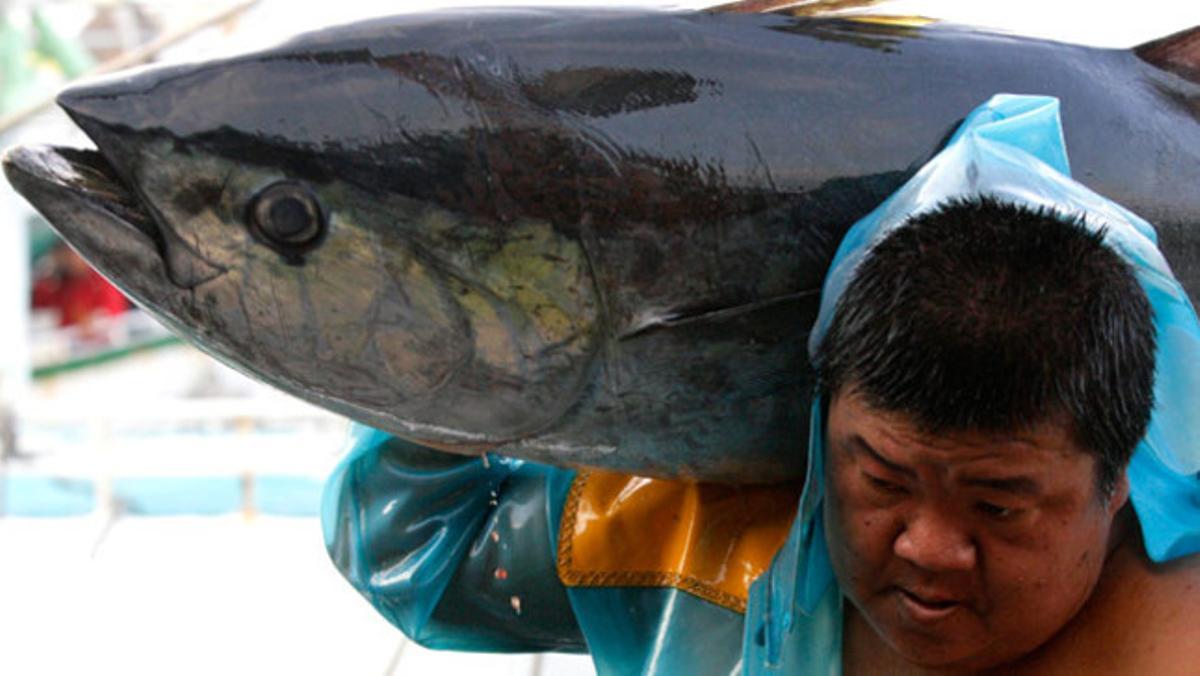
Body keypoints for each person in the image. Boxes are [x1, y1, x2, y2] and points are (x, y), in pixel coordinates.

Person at [322, 96, 1200, 674]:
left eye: (999, 505)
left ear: (1116, 480)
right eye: (883, 479)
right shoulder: (693, 544)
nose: (929, 547)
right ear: (824, 425)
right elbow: (419, 548)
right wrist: (489, 332)